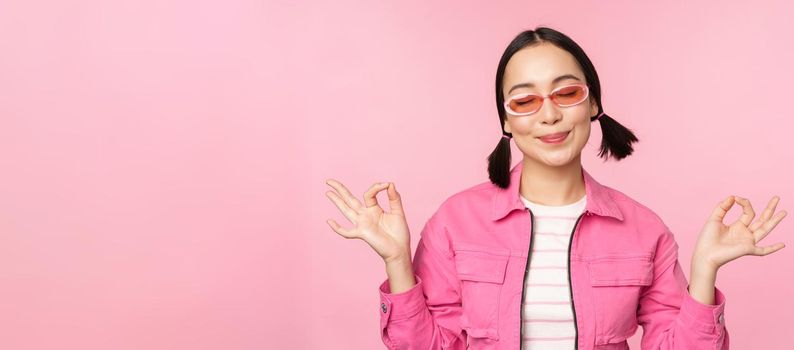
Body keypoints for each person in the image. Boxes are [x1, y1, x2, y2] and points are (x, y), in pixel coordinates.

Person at [323, 26, 786, 350]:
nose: (549, 115)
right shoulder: (455, 221)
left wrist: (704, 272)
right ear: (507, 120)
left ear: (593, 103)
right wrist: (397, 263)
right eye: (525, 100)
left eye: (566, 93)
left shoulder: (644, 230)